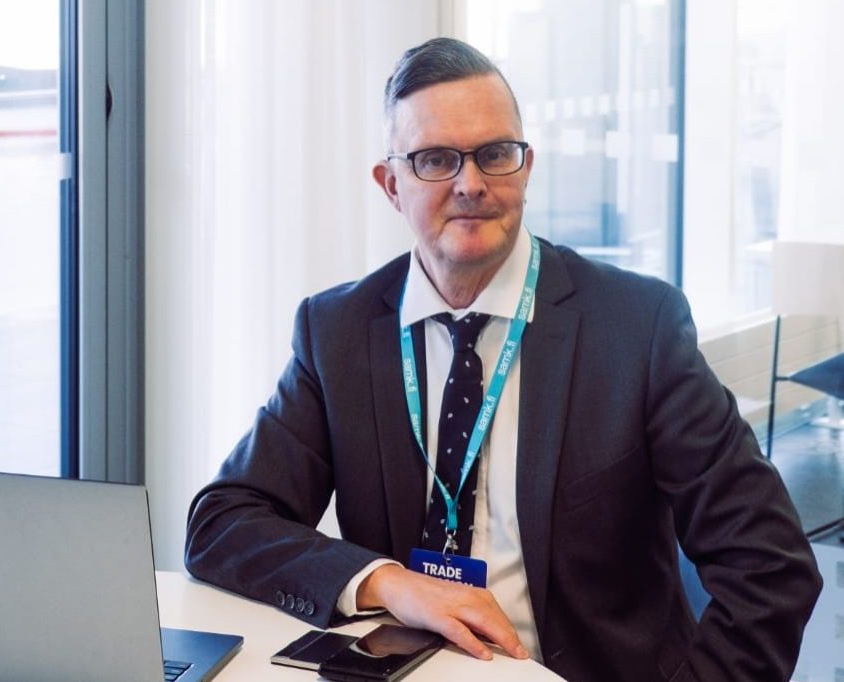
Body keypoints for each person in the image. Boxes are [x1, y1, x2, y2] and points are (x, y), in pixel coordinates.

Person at [184, 37, 821, 681]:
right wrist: (388, 583)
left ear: (525, 165)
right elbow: (222, 523)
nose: (471, 184)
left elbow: (770, 568)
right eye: (435, 159)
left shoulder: (636, 327)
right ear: (391, 185)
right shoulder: (337, 331)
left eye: (495, 154)